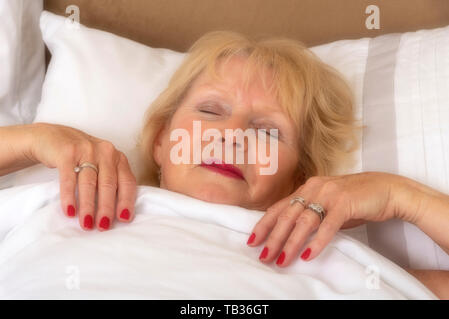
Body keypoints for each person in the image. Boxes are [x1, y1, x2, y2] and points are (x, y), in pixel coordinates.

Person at [0, 31, 447, 299]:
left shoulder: (339, 263)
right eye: (210, 111)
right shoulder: (65, 203)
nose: (232, 136)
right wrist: (35, 139)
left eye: (268, 131)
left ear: (298, 178)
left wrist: (402, 196)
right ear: (160, 142)